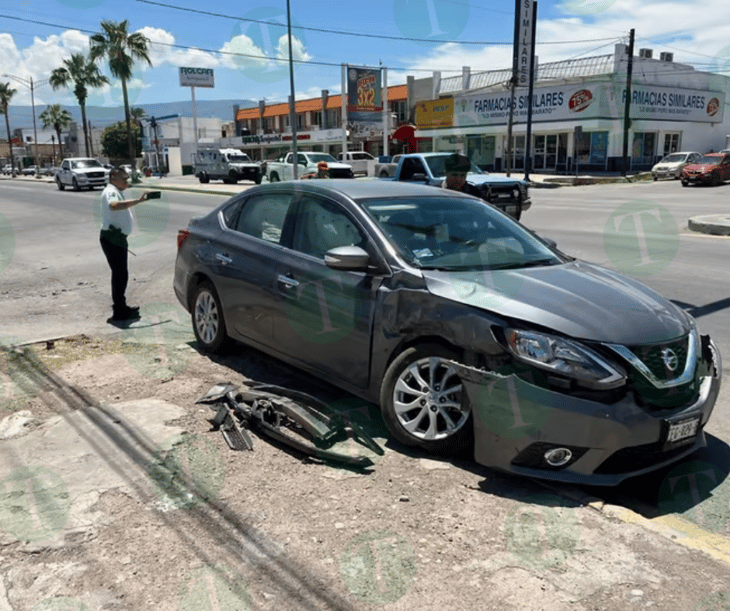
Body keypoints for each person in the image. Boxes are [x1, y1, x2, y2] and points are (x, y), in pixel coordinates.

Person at [99, 167, 151, 321]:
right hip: (112, 238)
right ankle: (119, 310)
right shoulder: (110, 192)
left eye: (127, 178)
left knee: (121, 274)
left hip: (117, 238)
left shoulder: (115, 190)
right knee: (119, 274)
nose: (126, 181)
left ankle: (121, 306)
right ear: (113, 177)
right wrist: (138, 200)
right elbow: (114, 205)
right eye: (124, 178)